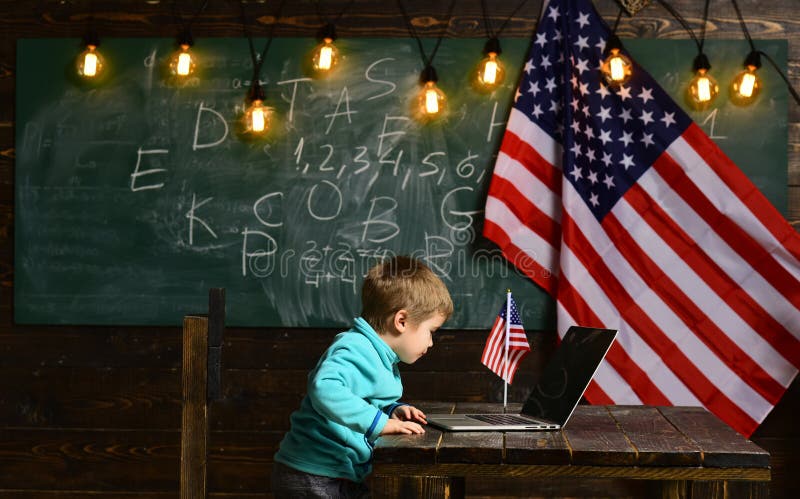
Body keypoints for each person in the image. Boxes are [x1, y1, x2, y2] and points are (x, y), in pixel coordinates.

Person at [271, 255, 454, 498]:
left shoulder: (380, 355)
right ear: (401, 321)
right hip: (313, 475)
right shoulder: (355, 347)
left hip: (340, 474)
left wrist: (391, 410)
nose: (431, 343)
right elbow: (324, 387)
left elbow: (362, 398)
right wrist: (380, 423)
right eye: (431, 332)